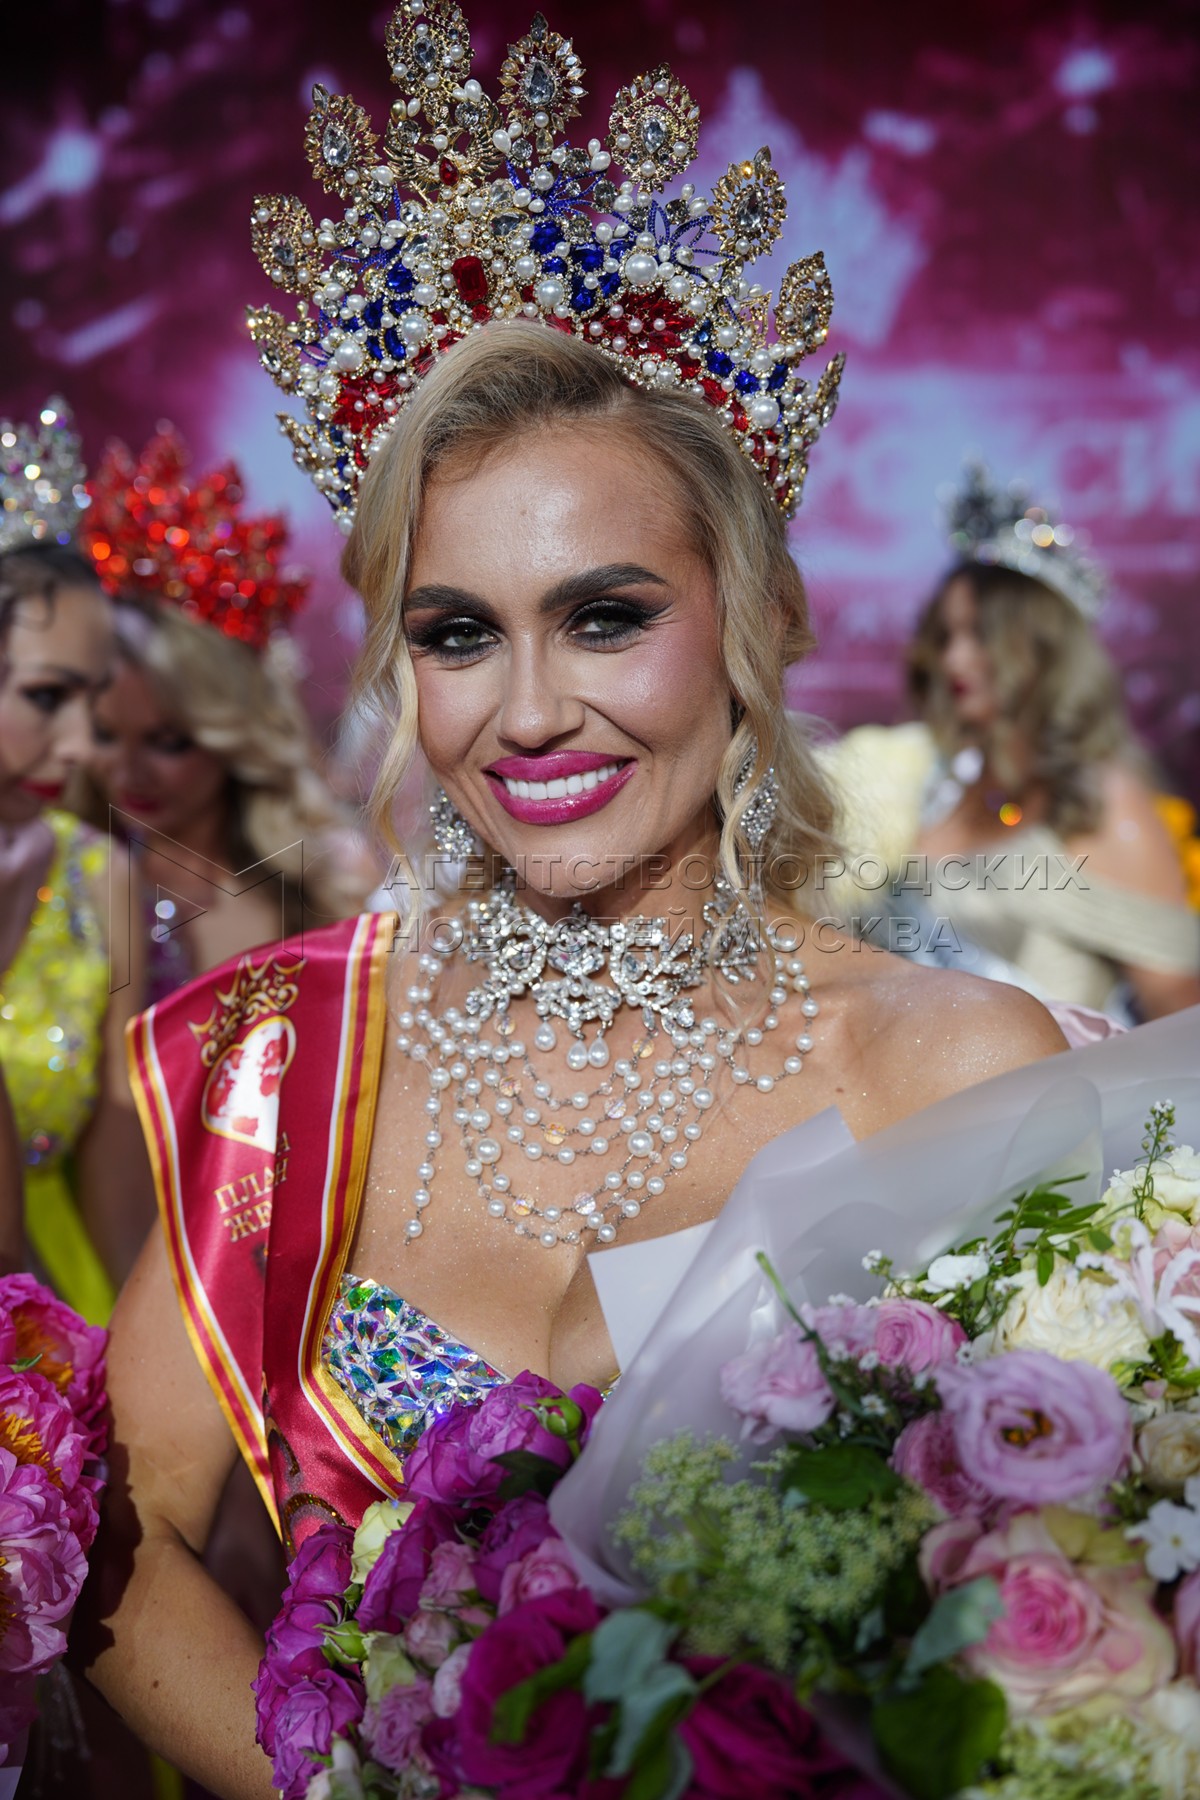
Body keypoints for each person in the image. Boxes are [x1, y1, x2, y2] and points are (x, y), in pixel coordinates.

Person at [79, 21, 1066, 1795]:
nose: (527, 713)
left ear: (755, 626)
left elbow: (1062, 1583)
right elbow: (130, 1527)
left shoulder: (947, 1062)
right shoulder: (290, 1051)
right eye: (458, 635)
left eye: (606, 617)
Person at [826, 466, 1200, 1023]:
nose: (954, 659)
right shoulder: (929, 780)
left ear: (1041, 648)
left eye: (980, 635)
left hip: (1058, 1076)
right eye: (945, 636)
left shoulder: (1099, 799)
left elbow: (1180, 1011)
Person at [78, 427, 366, 1002]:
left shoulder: (323, 877)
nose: (130, 771)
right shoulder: (63, 884)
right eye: (104, 734)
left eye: (167, 741)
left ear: (232, 730)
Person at [0, 399, 152, 1324]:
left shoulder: (101, 878)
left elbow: (119, 1182)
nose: (83, 747)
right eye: (46, 697)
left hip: (51, 1315)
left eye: (92, 706)